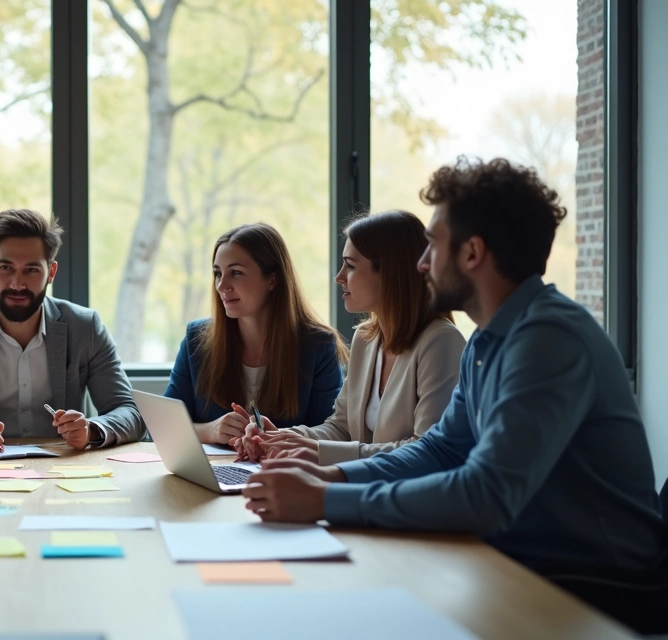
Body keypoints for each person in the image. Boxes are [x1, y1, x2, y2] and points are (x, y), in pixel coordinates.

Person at [242, 157, 666, 581]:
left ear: (472, 253)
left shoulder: (548, 340)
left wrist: (323, 501)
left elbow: (485, 494)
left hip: (599, 584)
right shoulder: (488, 338)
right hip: (521, 564)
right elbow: (440, 450)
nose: (422, 263)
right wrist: (328, 476)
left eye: (433, 245)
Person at [236, 211, 465, 465]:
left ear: (390, 273)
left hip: (406, 500)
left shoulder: (441, 342)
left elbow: (428, 451)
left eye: (351, 265)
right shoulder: (366, 339)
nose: (339, 277)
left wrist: (321, 452)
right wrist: (280, 437)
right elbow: (342, 428)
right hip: (365, 492)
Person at [0, 209, 144, 451]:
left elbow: (131, 414)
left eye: (31, 270)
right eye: (5, 268)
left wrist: (91, 430)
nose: (17, 284)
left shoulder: (85, 327)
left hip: (67, 470)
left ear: (51, 273)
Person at [164, 223, 346, 446]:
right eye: (217, 274)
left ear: (272, 279)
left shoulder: (317, 345)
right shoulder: (197, 339)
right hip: (213, 475)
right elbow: (161, 429)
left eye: (236, 273)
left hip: (285, 474)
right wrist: (208, 431)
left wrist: (273, 440)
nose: (222, 286)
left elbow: (332, 433)